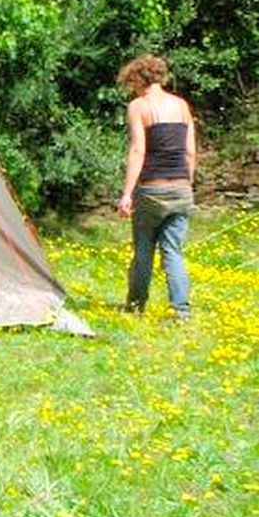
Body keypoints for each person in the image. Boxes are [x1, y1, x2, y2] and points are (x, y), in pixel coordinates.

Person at [116, 54, 196, 320]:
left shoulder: (139, 106)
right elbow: (190, 152)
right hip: (182, 187)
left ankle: (136, 305)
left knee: (143, 250)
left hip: (152, 189)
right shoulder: (182, 106)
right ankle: (181, 310)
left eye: (131, 82)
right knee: (173, 250)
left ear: (139, 78)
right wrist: (187, 184)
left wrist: (127, 193)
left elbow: (139, 150)